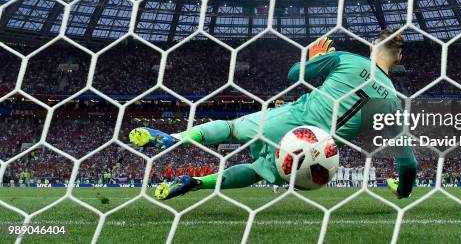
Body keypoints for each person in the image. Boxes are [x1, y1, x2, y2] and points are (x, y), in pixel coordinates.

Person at [128, 31, 417, 200]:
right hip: (314, 154)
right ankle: (196, 183)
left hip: (292, 118)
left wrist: (314, 59)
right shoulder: (392, 100)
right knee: (256, 171)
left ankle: (176, 138)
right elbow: (408, 163)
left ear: (373, 47)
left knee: (230, 128)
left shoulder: (347, 59)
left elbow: (294, 75)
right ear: (399, 58)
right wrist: (402, 190)